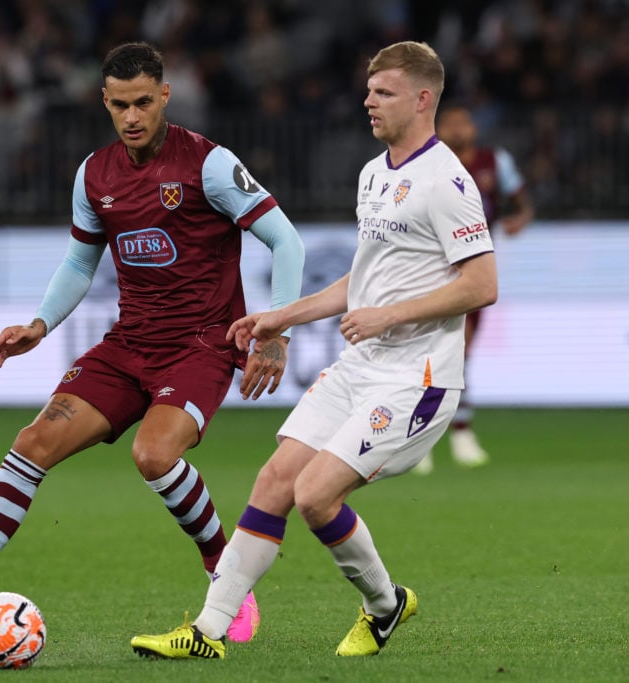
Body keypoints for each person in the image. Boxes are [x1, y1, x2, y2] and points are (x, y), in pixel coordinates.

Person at [0, 42, 305, 644]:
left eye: (142, 103)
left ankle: (228, 584)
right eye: (119, 105)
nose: (132, 117)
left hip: (201, 346)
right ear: (104, 102)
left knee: (154, 456)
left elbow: (286, 242)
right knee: (33, 443)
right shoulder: (94, 174)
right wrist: (39, 324)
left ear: (164, 96)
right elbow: (81, 264)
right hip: (128, 343)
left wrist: (275, 330)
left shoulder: (208, 165)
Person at [129, 40, 497, 659]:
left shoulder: (448, 181)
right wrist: (280, 317)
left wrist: (388, 317)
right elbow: (364, 282)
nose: (368, 101)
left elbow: (481, 285)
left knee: (315, 494)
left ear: (423, 98)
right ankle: (209, 630)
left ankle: (384, 605)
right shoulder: (375, 174)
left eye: (384, 92)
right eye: (369, 89)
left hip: (418, 380)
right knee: (275, 480)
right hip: (360, 367)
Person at [413, 103, 534, 472]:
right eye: (449, 122)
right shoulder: (426, 162)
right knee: (424, 354)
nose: (456, 128)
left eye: (462, 122)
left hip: (473, 272)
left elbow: (522, 202)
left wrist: (520, 219)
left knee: (458, 354)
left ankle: (460, 432)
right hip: (429, 270)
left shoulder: (494, 162)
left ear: (473, 127)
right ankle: (420, 438)